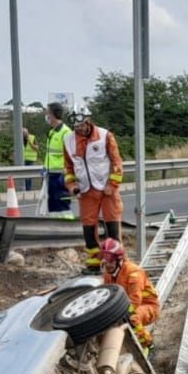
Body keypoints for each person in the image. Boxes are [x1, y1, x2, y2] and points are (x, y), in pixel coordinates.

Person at [63, 113, 124, 271]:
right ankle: (94, 263)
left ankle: (116, 262)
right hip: (85, 191)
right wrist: (71, 185)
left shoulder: (105, 136)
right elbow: (69, 167)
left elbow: (116, 162)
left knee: (112, 227)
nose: (80, 129)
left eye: (82, 125)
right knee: (88, 229)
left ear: (88, 122)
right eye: (76, 127)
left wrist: (112, 184)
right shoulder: (68, 141)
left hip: (107, 191)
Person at [99, 236, 159, 351]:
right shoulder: (108, 274)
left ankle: (148, 344)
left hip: (148, 306)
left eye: (110, 260)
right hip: (126, 306)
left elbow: (135, 300)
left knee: (132, 317)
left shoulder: (134, 273)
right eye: (105, 260)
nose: (107, 264)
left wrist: (119, 313)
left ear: (119, 259)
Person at [43, 103, 74, 219]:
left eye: (47, 113)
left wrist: (67, 173)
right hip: (50, 174)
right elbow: (50, 154)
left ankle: (69, 230)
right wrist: (45, 168)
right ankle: (55, 229)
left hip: (61, 175)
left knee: (62, 205)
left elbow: (71, 155)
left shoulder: (66, 132)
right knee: (52, 205)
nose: (46, 116)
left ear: (53, 114)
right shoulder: (52, 132)